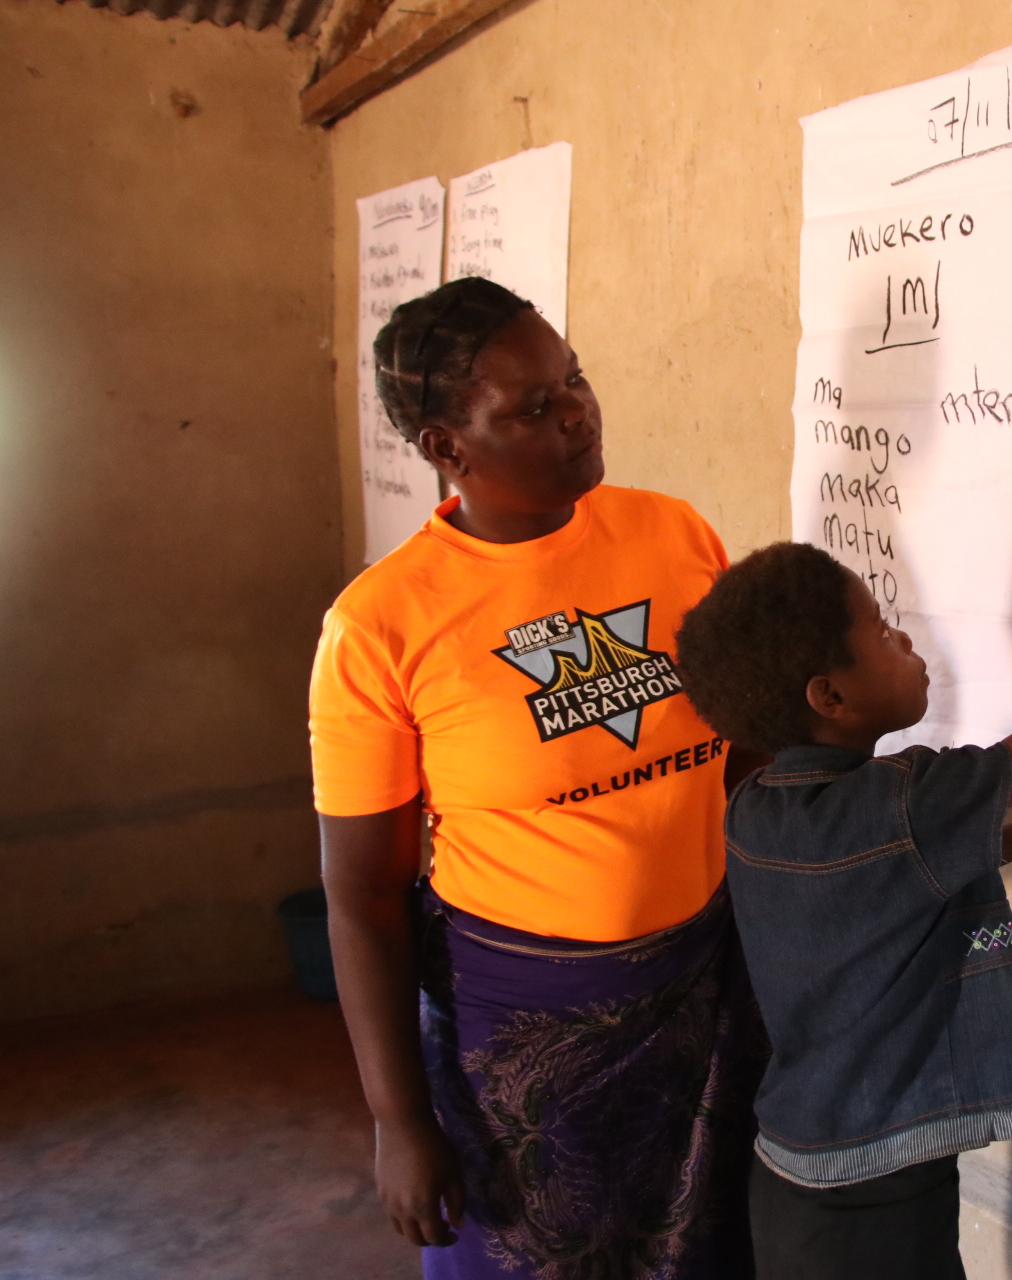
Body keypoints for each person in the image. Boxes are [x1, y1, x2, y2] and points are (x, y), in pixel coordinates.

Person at [309, 277, 769, 1280]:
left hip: (697, 997)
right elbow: (363, 893)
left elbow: (746, 749)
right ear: (445, 445)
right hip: (515, 1038)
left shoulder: (673, 535)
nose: (576, 413)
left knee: (706, 1256)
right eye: (532, 406)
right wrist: (398, 1117)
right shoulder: (382, 626)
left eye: (575, 381)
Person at [673, 410, 1012, 1279]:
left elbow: (888, 888)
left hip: (793, 1175)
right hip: (876, 1211)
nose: (904, 637)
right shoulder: (904, 800)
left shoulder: (757, 810)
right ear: (831, 695)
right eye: (881, 631)